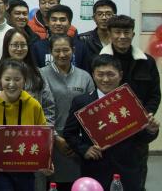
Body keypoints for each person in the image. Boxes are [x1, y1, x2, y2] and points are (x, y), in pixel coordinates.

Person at [64, 54, 159, 191]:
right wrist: (84, 149)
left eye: (110, 74)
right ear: (93, 75)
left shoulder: (131, 100)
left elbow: (141, 138)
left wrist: (151, 130)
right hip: (95, 168)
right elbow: (69, 133)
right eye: (100, 74)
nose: (105, 79)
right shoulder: (81, 102)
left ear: (120, 75)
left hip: (128, 169)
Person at [100, 14, 161, 188]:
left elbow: (155, 94)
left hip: (137, 131)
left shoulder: (146, 62)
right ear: (110, 34)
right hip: (107, 129)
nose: (122, 36)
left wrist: (145, 116)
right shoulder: (99, 61)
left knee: (137, 178)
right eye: (117, 32)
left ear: (133, 34)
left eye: (126, 32)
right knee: (107, 177)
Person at [0, 59, 51, 190]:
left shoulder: (33, 105)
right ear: (0, 80)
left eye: (17, 79)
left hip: (25, 170)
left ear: (24, 80)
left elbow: (43, 137)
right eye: (7, 79)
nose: (12, 84)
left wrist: (45, 160)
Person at [39, 35, 95, 191]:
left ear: (73, 50)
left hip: (77, 142)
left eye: (66, 50)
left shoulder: (84, 77)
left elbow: (91, 111)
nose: (62, 54)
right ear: (50, 52)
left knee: (75, 183)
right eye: (57, 51)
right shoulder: (40, 75)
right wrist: (55, 137)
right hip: (49, 139)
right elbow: (38, 109)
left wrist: (78, 142)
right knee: (50, 183)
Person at [0, 28, 56, 125]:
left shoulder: (37, 73)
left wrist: (45, 129)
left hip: (32, 130)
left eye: (23, 45)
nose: (19, 48)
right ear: (7, 46)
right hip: (2, 128)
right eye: (15, 45)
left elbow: (48, 105)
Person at [31, 5, 91, 71]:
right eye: (54, 20)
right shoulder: (37, 47)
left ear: (69, 23)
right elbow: (34, 74)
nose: (58, 23)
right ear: (47, 23)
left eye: (62, 20)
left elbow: (85, 73)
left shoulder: (81, 47)